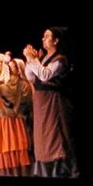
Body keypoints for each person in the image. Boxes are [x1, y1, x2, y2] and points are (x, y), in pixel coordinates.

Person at [23, 26, 79, 177]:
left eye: (47, 36)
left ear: (56, 40)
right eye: (43, 36)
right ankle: (43, 171)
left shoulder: (60, 60)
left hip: (52, 101)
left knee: (54, 133)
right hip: (40, 101)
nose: (43, 39)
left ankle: (61, 170)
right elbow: (31, 77)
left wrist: (33, 60)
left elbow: (45, 75)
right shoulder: (42, 58)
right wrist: (30, 60)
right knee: (41, 136)